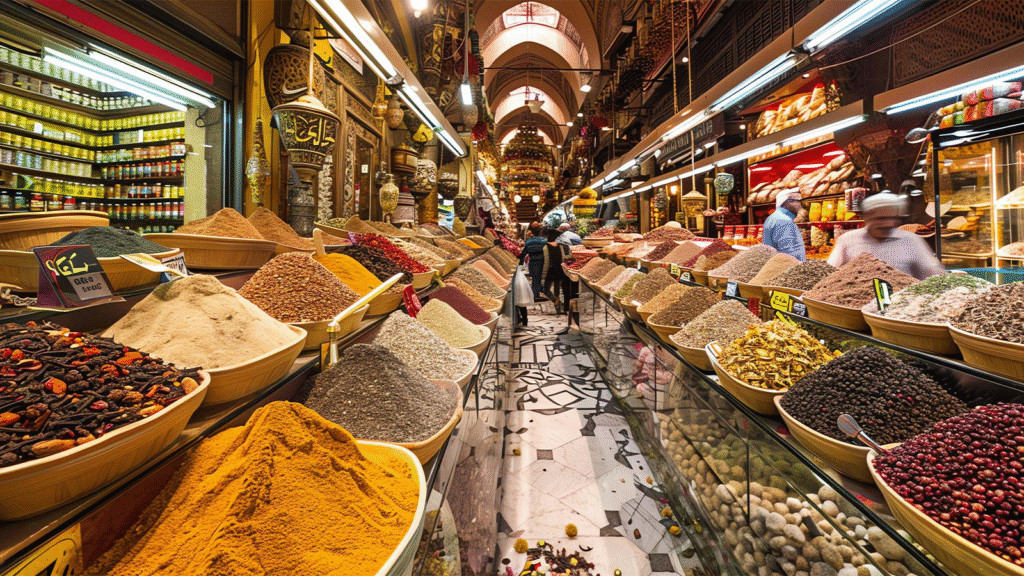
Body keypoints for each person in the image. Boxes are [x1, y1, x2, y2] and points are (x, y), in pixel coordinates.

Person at [827, 192, 944, 280]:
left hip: (899, 306)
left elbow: (934, 274)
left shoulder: (911, 240)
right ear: (866, 218)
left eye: (891, 218)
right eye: (880, 219)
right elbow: (829, 272)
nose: (887, 223)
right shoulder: (848, 240)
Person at [762, 190, 806, 261]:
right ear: (786, 202)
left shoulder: (773, 217)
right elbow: (789, 253)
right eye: (796, 201)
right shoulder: (784, 221)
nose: (799, 205)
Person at [543, 228, 569, 313]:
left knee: (545, 288)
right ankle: (557, 305)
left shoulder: (545, 246)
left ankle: (555, 300)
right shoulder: (560, 246)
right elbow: (563, 258)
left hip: (550, 270)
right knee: (557, 288)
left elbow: (545, 260)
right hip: (559, 269)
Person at [520, 227, 548, 300]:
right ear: (540, 233)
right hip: (543, 260)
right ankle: (537, 294)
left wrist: (520, 262)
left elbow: (524, 253)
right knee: (541, 278)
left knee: (535, 278)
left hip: (532, 260)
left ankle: (536, 294)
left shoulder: (529, 241)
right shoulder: (544, 241)